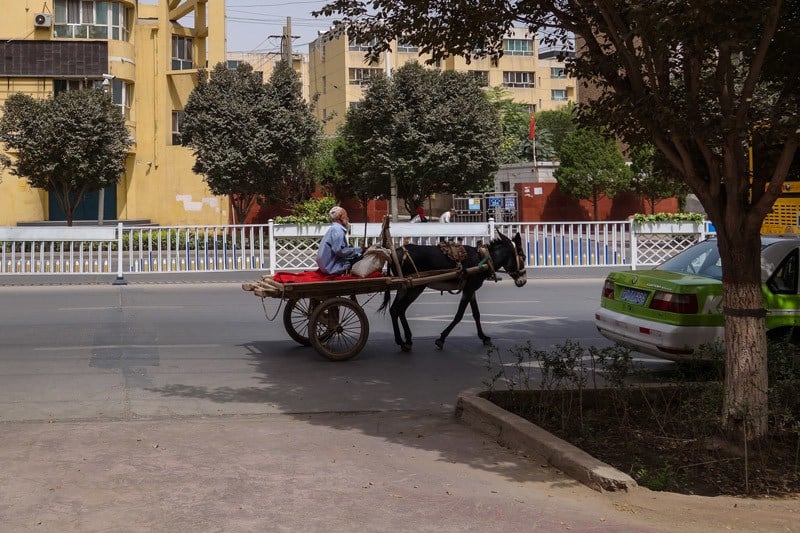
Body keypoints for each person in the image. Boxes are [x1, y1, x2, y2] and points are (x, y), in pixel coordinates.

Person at [316, 206, 364, 275]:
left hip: (325, 265)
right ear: (341, 217)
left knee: (356, 255)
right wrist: (359, 250)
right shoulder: (338, 230)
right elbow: (339, 251)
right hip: (331, 267)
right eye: (346, 216)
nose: (348, 218)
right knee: (361, 257)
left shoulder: (334, 228)